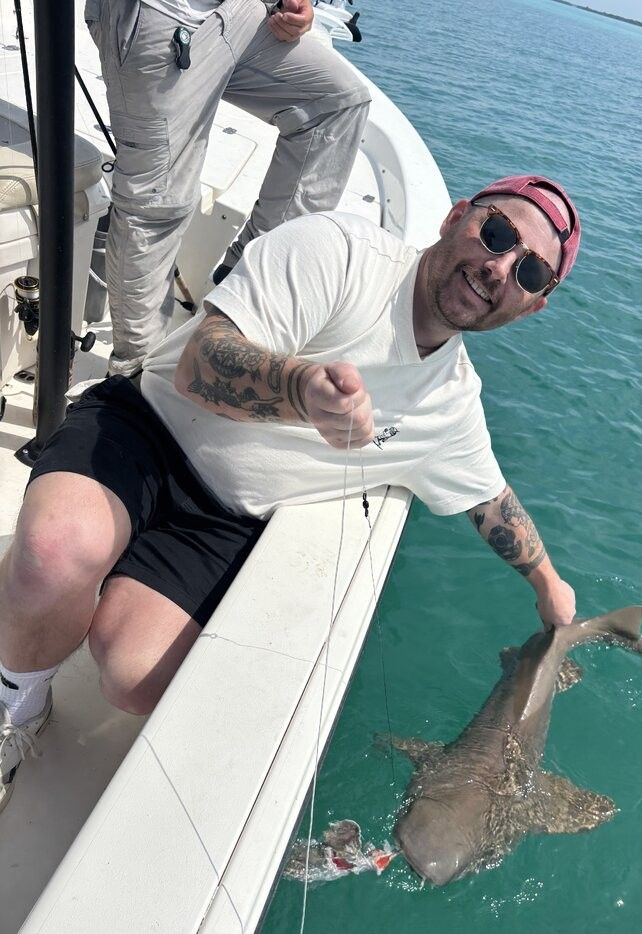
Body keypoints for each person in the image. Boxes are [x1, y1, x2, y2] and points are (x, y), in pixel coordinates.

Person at [0, 173, 580, 814]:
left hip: (224, 521)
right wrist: (301, 390)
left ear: (533, 306)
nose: (499, 266)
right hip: (146, 426)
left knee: (135, 678)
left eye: (528, 272)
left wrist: (549, 587)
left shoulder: (452, 404)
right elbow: (200, 363)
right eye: (496, 232)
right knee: (56, 552)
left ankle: (74, 596)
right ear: (455, 218)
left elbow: (490, 501)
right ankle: (16, 702)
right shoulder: (340, 254)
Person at [83, 0, 371, 376]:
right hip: (165, 14)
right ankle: (137, 374)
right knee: (156, 206)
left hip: (242, 10)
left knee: (337, 102)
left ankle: (250, 276)